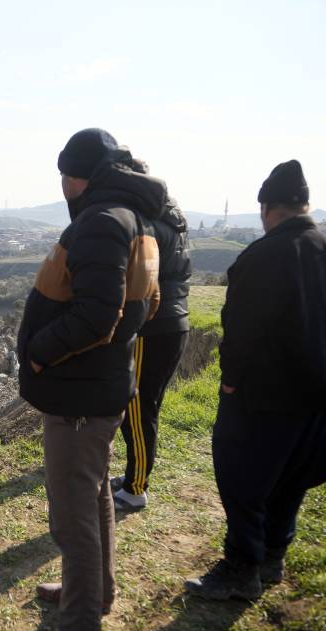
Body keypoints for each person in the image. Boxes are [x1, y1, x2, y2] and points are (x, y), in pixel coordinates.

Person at [13, 128, 160, 631]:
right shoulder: (134, 220)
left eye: (65, 176)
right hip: (101, 386)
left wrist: (39, 353)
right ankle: (95, 593)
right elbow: (148, 304)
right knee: (95, 496)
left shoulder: (101, 223)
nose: (63, 186)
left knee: (71, 520)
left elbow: (100, 315)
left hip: (78, 394)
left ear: (82, 177)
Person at [185, 160, 326, 600]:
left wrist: (231, 382)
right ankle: (272, 557)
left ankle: (240, 569)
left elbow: (241, 330)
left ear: (266, 209)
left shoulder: (263, 256)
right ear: (305, 206)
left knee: (243, 481)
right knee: (294, 478)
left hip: (267, 397)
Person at [111, 165, 192, 512]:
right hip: (172, 324)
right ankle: (134, 475)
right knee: (144, 408)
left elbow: (141, 281)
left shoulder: (150, 225)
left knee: (139, 409)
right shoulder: (173, 219)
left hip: (154, 326)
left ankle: (136, 487)